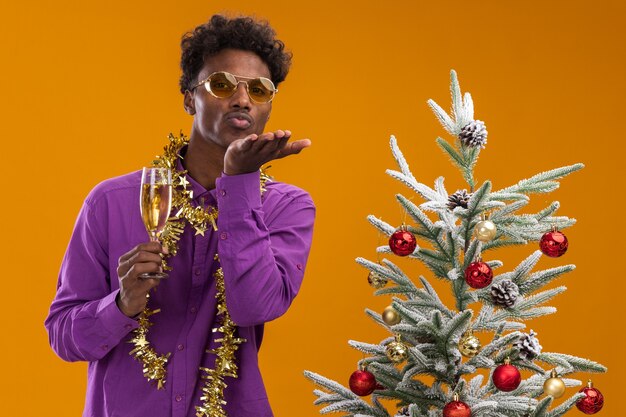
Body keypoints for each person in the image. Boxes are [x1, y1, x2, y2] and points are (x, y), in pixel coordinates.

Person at [45, 14, 315, 417]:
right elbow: (64, 336)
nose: (242, 99)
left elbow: (255, 307)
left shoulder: (288, 207)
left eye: (259, 90)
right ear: (190, 98)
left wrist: (238, 183)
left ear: (269, 107)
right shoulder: (111, 201)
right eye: (222, 84)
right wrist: (122, 304)